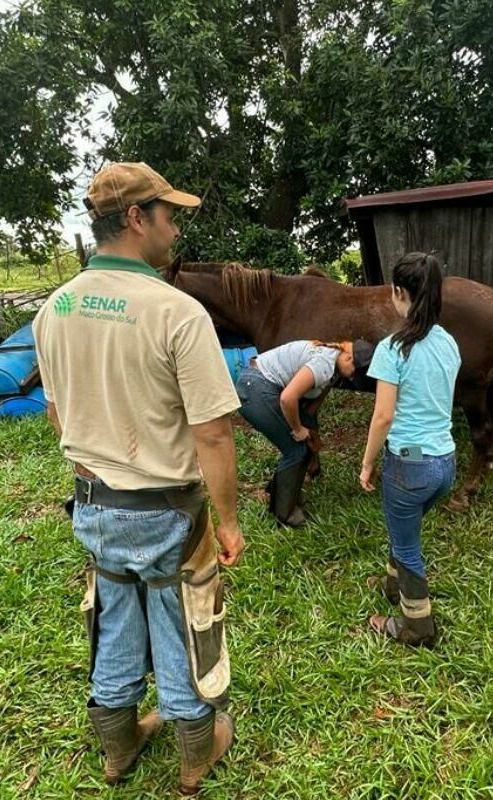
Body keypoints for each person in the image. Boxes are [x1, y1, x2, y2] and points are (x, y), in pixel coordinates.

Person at [33, 162, 244, 794]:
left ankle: (118, 751)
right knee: (186, 621)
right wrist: (228, 519)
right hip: (169, 513)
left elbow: (57, 413)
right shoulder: (176, 312)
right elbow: (212, 431)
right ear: (135, 218)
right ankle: (194, 755)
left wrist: (95, 477)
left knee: (113, 616)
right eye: (168, 214)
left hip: (94, 505)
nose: (174, 229)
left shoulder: (54, 309)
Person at [358, 252, 461, 648]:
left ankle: (417, 627)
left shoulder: (392, 348)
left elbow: (383, 416)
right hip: (445, 462)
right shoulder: (448, 342)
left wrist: (367, 463)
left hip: (409, 463)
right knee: (405, 530)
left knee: (407, 545)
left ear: (399, 292)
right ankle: (393, 583)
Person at [236, 339, 368, 527]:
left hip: (261, 385)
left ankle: (278, 494)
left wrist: (311, 433)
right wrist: (298, 430)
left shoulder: (333, 370)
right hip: (256, 388)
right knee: (296, 449)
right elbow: (288, 398)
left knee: (303, 446)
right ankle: (285, 516)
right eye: (357, 368)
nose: (356, 375)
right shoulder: (324, 363)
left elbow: (308, 410)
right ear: (347, 356)